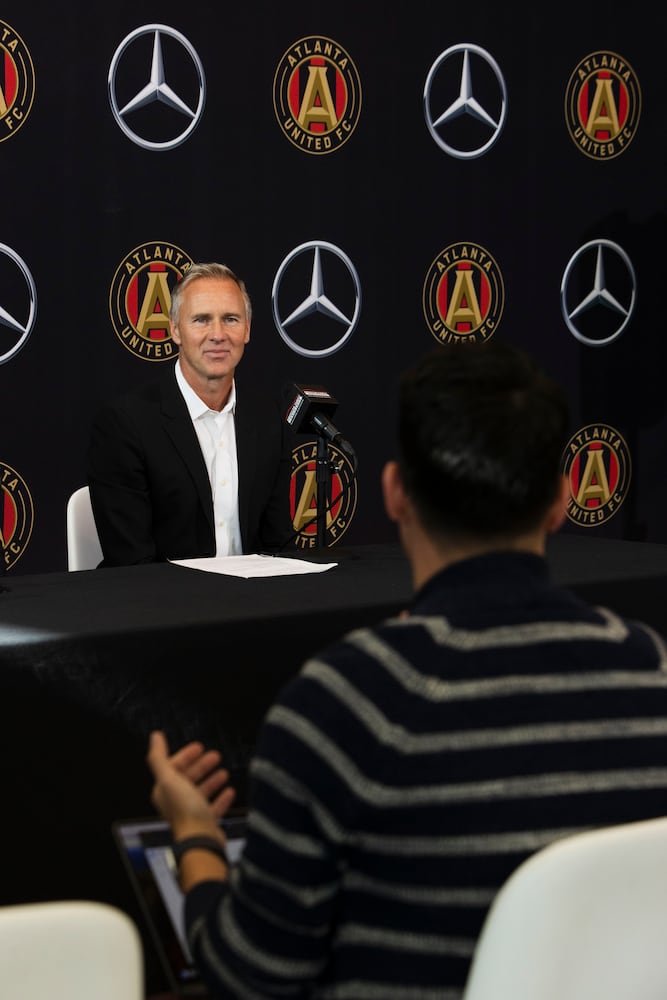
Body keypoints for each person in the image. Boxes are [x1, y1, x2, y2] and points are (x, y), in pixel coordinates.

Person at [146, 340, 667, 999]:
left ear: (394, 493)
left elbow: (249, 978)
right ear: (563, 499)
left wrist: (194, 838)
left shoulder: (342, 702)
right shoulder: (651, 668)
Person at [87, 262, 294, 566]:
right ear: (175, 330)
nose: (218, 334)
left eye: (231, 319)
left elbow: (278, 545)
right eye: (201, 320)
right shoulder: (125, 424)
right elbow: (130, 563)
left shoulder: (269, 419)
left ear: (247, 329)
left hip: (255, 605)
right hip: (163, 607)